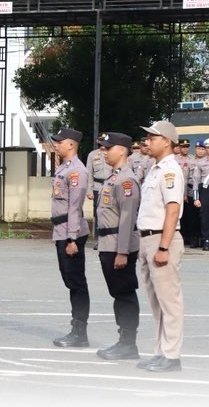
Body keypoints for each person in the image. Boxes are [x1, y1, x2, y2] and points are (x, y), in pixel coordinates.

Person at [136, 120, 185, 371]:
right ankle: (161, 351)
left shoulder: (169, 171)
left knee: (169, 301)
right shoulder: (155, 169)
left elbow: (173, 210)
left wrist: (163, 247)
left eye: (152, 138)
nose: (148, 142)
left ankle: (172, 355)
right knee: (157, 302)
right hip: (148, 239)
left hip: (161, 239)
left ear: (166, 141)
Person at [93, 131, 141, 360]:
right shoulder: (113, 177)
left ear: (121, 150)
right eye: (102, 148)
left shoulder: (126, 180)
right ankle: (123, 340)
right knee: (118, 294)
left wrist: (122, 252)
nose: (103, 151)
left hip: (118, 247)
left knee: (124, 294)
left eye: (107, 148)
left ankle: (128, 344)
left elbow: (127, 219)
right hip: (108, 244)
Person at [49, 127, 90, 347]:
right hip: (61, 231)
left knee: (76, 282)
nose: (56, 145)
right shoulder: (63, 168)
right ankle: (77, 330)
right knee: (70, 280)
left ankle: (79, 332)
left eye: (59, 141)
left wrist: (73, 239)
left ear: (71, 144)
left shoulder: (77, 171)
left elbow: (75, 207)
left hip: (70, 232)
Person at [85, 136, 112, 235]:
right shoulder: (92, 155)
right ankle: (98, 235)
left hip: (110, 186)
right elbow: (89, 173)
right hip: (97, 186)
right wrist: (89, 190)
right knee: (97, 211)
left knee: (109, 210)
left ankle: (108, 232)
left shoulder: (112, 152)